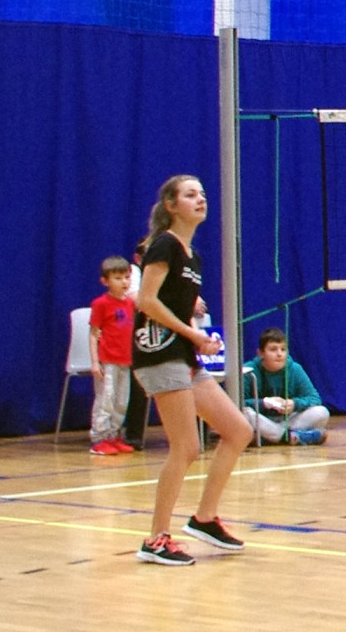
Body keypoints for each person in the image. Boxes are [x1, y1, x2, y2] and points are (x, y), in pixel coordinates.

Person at [133, 174, 251, 567]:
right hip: (159, 353)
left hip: (184, 354)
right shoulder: (164, 244)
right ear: (171, 205)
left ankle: (204, 518)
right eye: (190, 195)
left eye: (202, 193)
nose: (200, 199)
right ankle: (156, 539)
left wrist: (199, 335)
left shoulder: (191, 256)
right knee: (185, 447)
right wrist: (193, 334)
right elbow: (147, 301)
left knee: (238, 430)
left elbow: (174, 304)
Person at [87, 255, 139, 458]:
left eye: (127, 277)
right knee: (106, 400)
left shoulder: (130, 304)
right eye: (118, 278)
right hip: (107, 361)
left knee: (121, 401)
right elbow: (94, 334)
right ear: (105, 281)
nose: (124, 282)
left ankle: (113, 435)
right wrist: (95, 362)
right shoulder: (100, 304)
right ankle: (99, 438)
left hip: (125, 361)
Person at [242, 329, 329, 445]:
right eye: (273, 349)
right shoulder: (248, 370)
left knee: (322, 412)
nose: (279, 354)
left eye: (283, 349)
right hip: (260, 418)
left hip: (286, 420)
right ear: (260, 353)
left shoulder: (295, 369)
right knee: (244, 413)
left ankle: (269, 437)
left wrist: (294, 404)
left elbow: (314, 398)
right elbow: (238, 403)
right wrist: (264, 403)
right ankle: (287, 436)